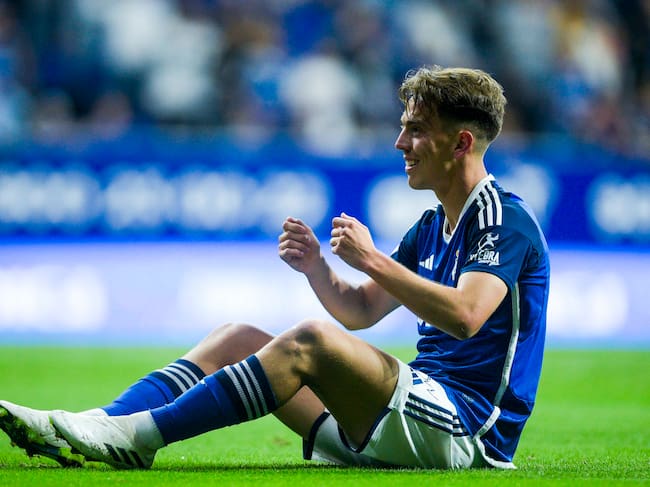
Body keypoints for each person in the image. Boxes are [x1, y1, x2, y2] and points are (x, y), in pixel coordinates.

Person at [0, 66, 550, 470]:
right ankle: (102, 423)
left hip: (465, 431)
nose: (399, 142)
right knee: (236, 337)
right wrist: (318, 269)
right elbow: (360, 311)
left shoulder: (503, 219)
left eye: (416, 129)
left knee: (311, 339)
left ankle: (137, 437)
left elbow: (467, 316)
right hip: (406, 422)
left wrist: (372, 259)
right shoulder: (431, 226)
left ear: (461, 142)